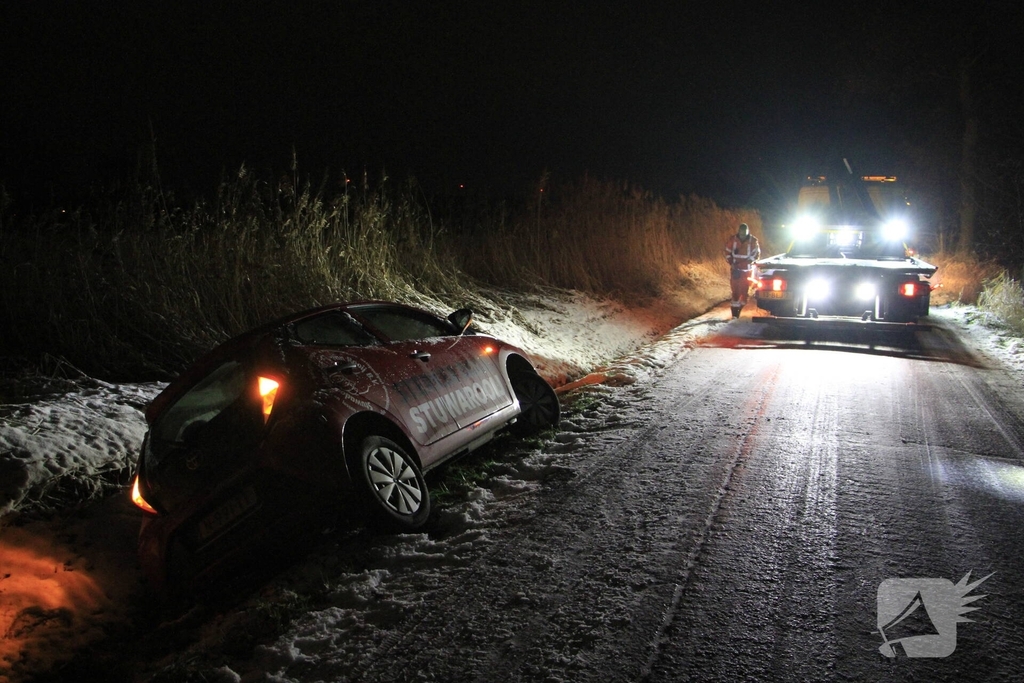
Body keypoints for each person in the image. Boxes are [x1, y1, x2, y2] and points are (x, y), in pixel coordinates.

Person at [724, 222, 760, 319]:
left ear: (747, 232)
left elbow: (756, 254)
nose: (742, 234)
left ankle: (741, 309)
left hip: (747, 271)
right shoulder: (733, 240)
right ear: (739, 231)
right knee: (735, 291)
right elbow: (727, 251)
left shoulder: (753, 241)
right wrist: (731, 262)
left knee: (744, 291)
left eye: (744, 232)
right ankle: (735, 313)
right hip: (736, 269)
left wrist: (749, 261)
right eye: (741, 232)